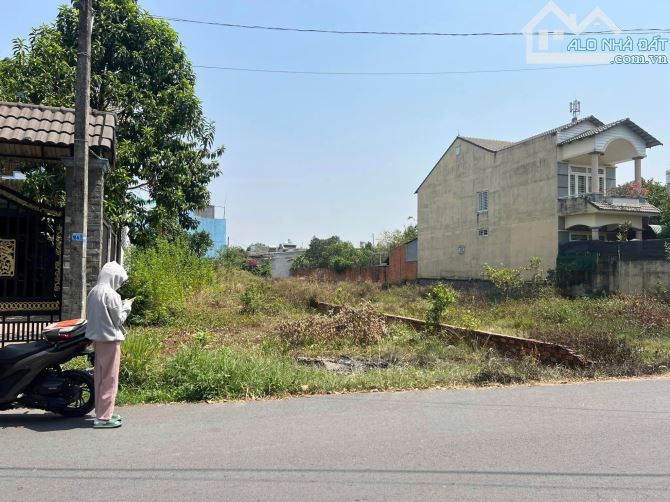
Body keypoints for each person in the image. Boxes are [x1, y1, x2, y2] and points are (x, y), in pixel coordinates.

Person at [85, 261, 134, 429]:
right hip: (111, 341)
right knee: (110, 379)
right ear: (113, 277)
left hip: (98, 340)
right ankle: (104, 418)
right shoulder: (111, 294)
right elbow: (118, 319)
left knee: (99, 378)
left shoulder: (93, 292)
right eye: (119, 280)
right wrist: (126, 306)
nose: (119, 284)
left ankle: (102, 413)